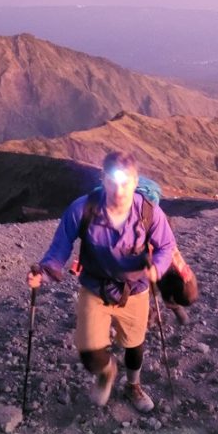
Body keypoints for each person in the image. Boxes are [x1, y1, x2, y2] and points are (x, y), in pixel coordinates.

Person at [27, 151, 176, 413]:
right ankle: (106, 371)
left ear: (135, 181)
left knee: (134, 343)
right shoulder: (82, 209)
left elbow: (166, 245)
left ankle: (133, 385)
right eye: (113, 181)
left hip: (135, 290)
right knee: (89, 351)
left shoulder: (148, 212)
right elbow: (60, 248)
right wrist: (45, 271)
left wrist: (158, 269)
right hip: (95, 288)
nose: (119, 190)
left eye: (126, 182)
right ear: (103, 179)